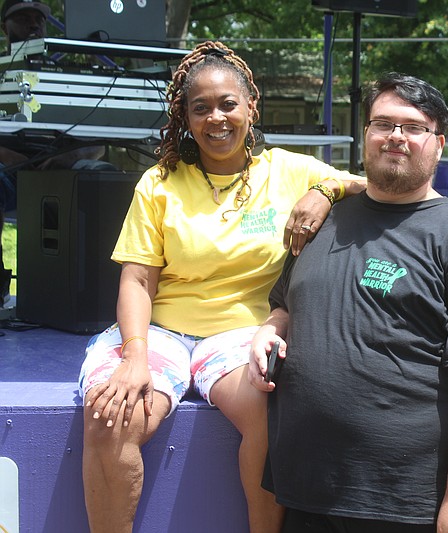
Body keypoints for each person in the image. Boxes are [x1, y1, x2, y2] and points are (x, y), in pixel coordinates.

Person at [78, 41, 364, 533]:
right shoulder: (160, 182)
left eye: (228, 103)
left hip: (242, 337)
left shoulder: (290, 170)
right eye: (201, 108)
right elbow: (138, 278)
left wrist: (325, 189)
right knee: (110, 414)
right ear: (185, 119)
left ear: (251, 106)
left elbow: (370, 185)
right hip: (161, 331)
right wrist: (135, 355)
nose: (217, 118)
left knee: (273, 409)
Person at [248, 72, 448, 533]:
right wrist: (270, 329)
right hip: (309, 489)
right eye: (383, 124)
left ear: (438, 143)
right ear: (366, 136)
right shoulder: (325, 220)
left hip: (406, 504)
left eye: (413, 127)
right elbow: (286, 305)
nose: (396, 137)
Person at [1, 0, 111, 306]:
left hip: (61, 177)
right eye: (23, 19)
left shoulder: (65, 77)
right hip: (9, 178)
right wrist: (6, 156)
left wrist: (68, 159)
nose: (33, 26)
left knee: (106, 178)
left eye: (39, 20)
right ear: (4, 27)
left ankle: (99, 298)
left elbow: (98, 145)